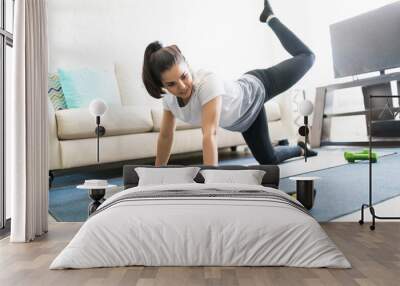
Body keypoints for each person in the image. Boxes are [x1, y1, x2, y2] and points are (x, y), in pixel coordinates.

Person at [142, 0, 318, 167]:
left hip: (256, 88)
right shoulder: (169, 101)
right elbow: (165, 136)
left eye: (184, 76)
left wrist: (212, 182)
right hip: (245, 119)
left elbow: (209, 134)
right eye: (171, 84)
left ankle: (270, 18)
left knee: (308, 57)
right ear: (163, 85)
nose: (181, 86)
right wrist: (159, 174)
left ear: (188, 66)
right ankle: (300, 149)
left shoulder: (206, 83)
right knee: (269, 160)